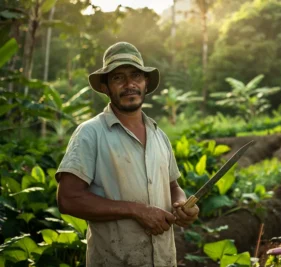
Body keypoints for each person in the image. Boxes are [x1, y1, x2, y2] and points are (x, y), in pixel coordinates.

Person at [56, 42, 199, 267]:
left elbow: (173, 187)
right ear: (105, 87)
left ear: (146, 82)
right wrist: (137, 211)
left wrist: (182, 205)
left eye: (135, 76)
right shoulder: (90, 133)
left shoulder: (159, 135)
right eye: (118, 78)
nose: (129, 84)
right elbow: (67, 199)